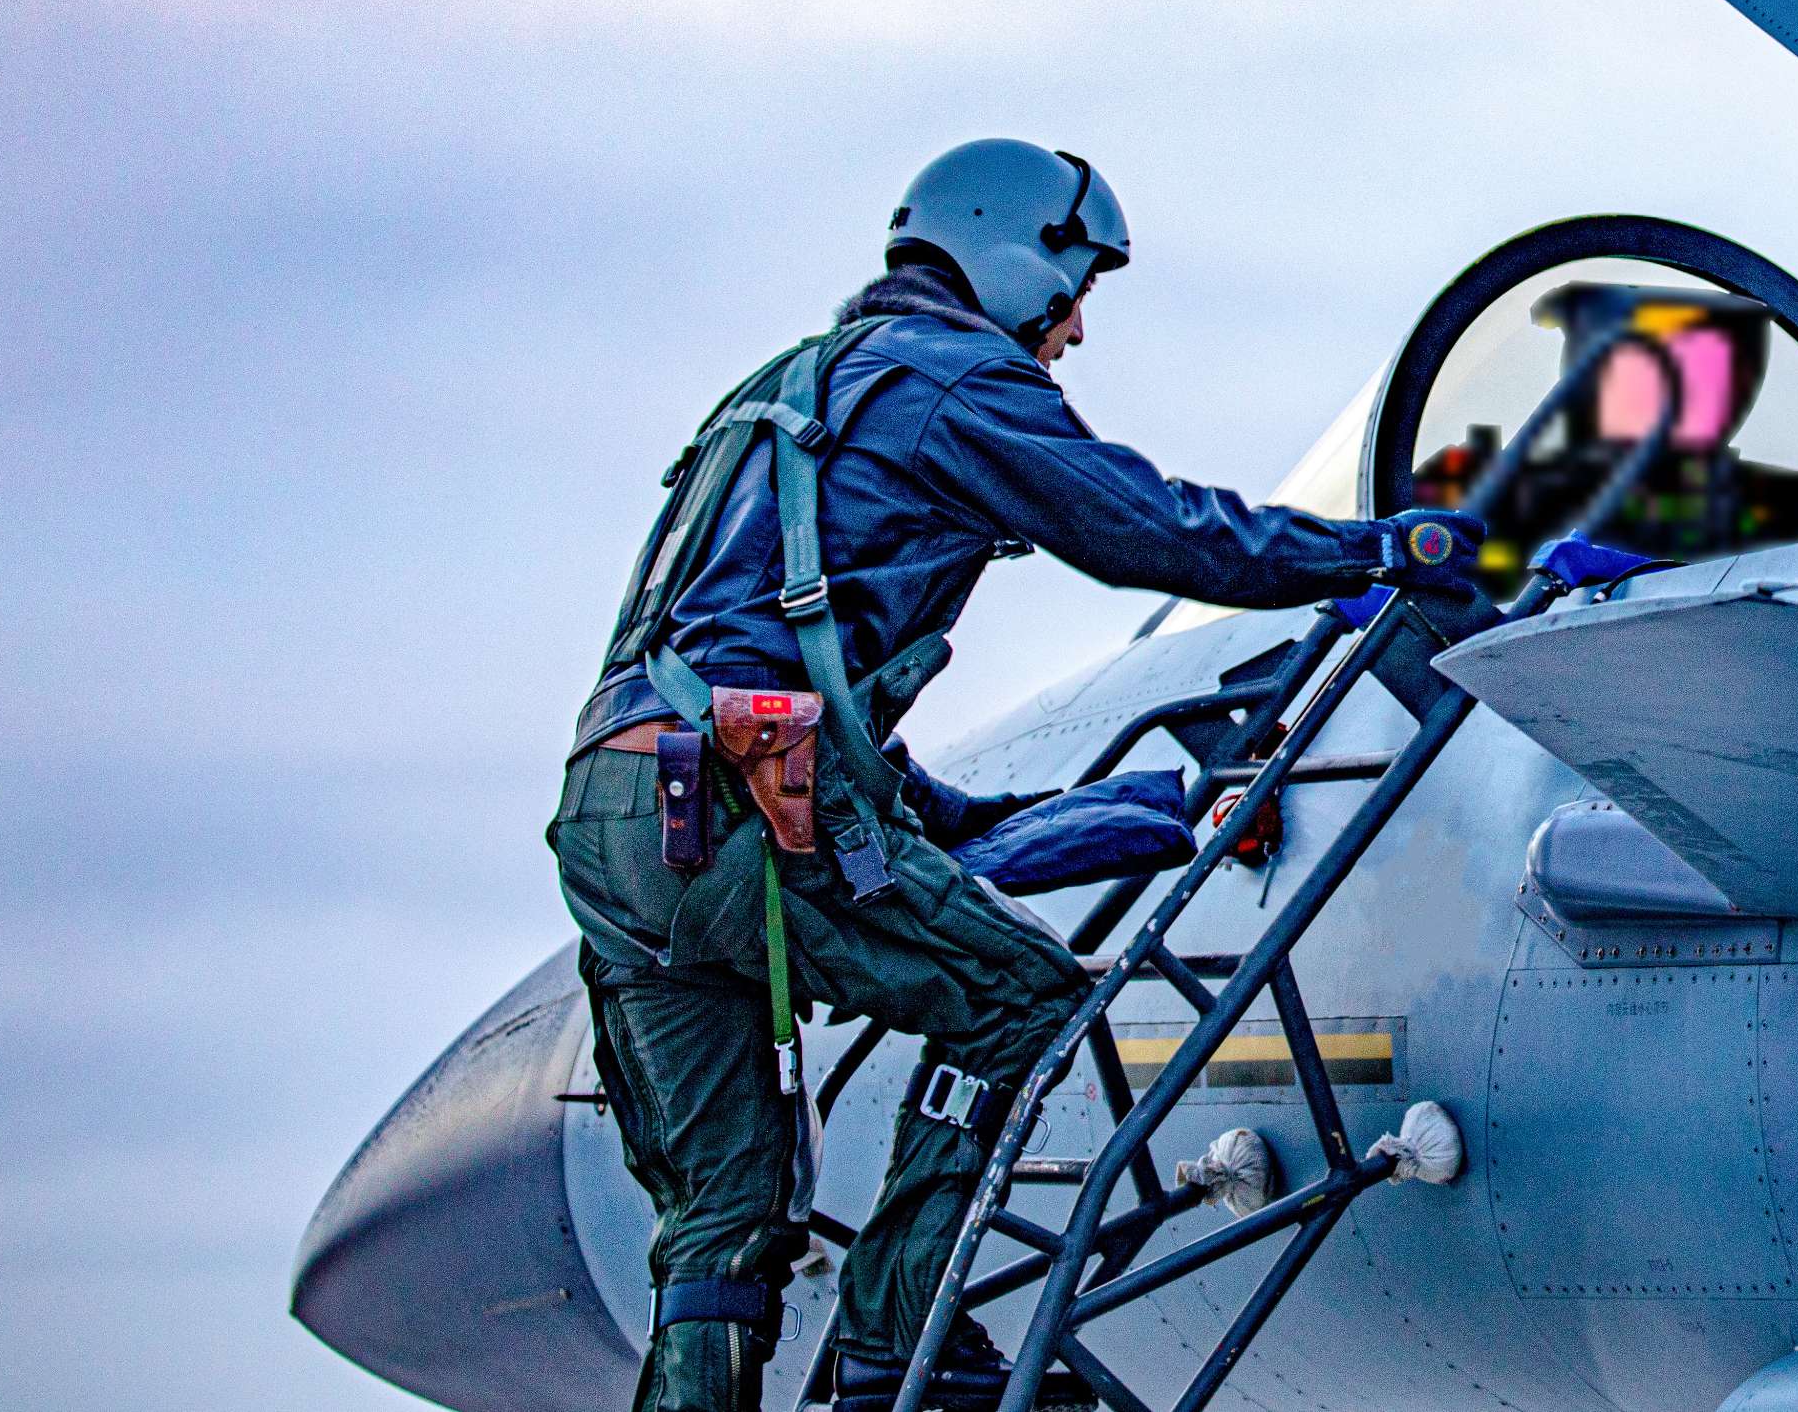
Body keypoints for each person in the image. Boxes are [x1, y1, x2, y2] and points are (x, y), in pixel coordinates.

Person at [545, 140, 1482, 1412]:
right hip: (733, 803)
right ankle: (898, 1347)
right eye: (1073, 284)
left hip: (618, 817)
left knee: (717, 1220)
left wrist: (985, 820)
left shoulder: (785, 393)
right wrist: (1383, 546)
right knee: (1027, 1003)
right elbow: (1150, 527)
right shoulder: (953, 383)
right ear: (1011, 250)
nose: (1077, 327)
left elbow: (751, 646)